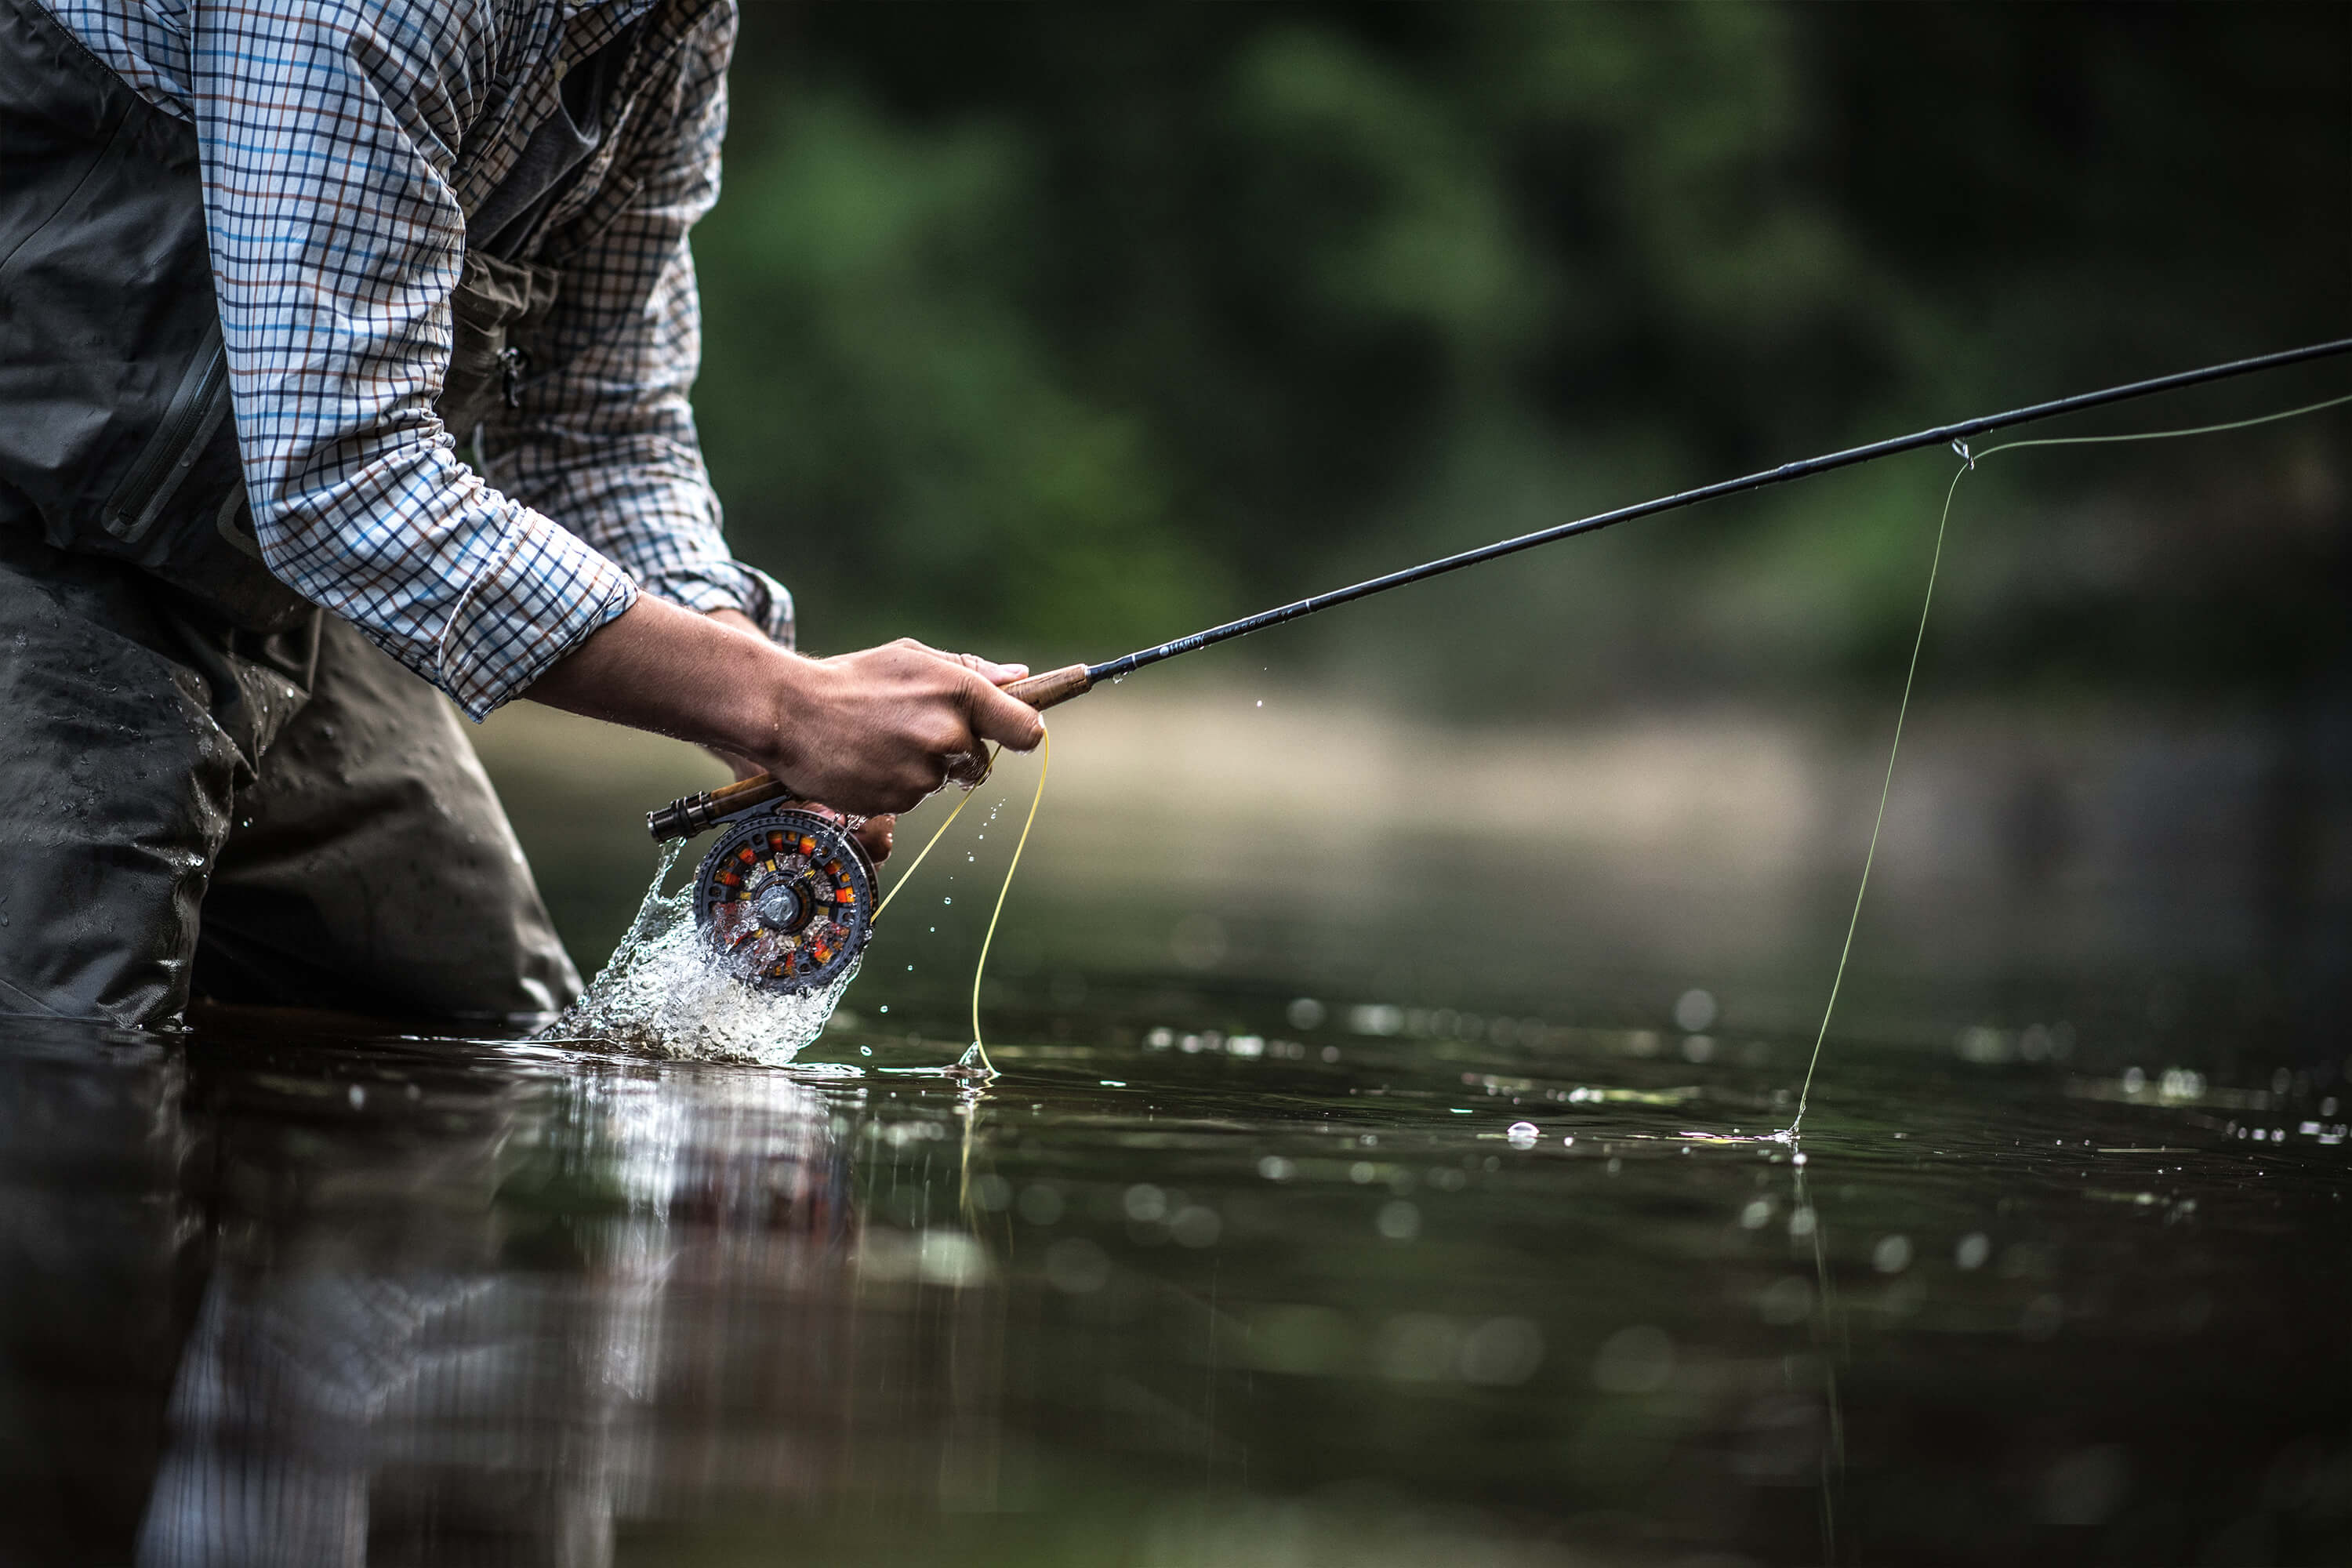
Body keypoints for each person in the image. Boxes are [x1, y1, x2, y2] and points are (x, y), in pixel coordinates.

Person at [0, 0, 1044, 1030]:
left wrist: (767, 709)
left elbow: (595, 424)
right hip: (38, 535)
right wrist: (776, 707)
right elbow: (338, 481)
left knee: (492, 1034)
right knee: (70, 1069)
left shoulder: (675, 26)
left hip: (266, 576)